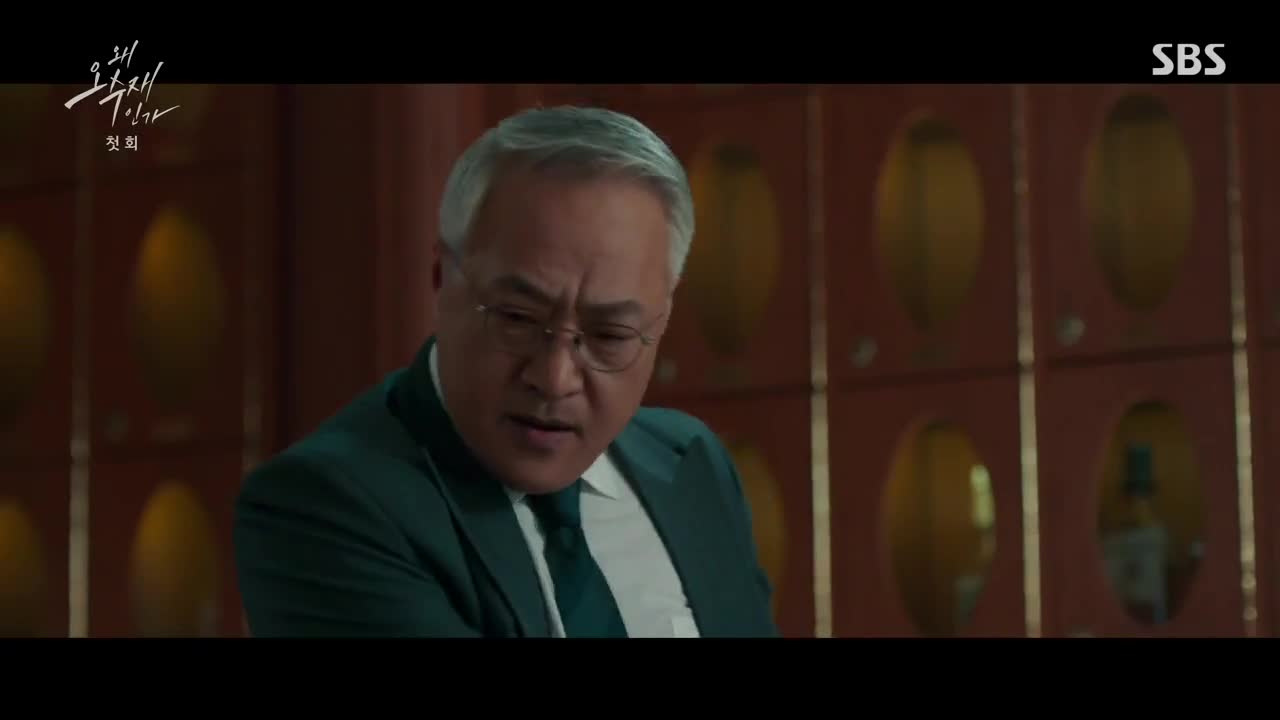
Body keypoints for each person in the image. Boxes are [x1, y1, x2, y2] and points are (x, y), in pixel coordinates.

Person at [233, 104, 779, 638]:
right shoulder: (323, 507)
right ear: (441, 279)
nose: (555, 378)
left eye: (609, 336)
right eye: (517, 319)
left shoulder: (692, 464)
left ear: (663, 319)